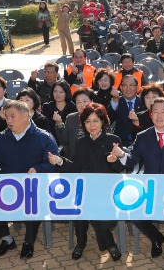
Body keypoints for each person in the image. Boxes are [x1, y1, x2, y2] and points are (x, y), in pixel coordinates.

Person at [113, 97, 164, 258]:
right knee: (133, 211)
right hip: (151, 188)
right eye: (155, 112)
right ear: (150, 115)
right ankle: (156, 237)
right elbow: (132, 161)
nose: (159, 116)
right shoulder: (143, 136)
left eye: (163, 112)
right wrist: (122, 154)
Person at [0, 101, 58, 259]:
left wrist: (38, 169)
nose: (8, 120)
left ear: (25, 115)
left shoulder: (44, 137)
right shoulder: (1, 138)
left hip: (34, 188)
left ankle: (29, 242)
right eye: (6, 117)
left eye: (12, 116)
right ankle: (7, 240)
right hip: (8, 187)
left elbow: (52, 163)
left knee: (33, 200)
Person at [48, 103, 123, 262]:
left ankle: (109, 243)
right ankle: (81, 243)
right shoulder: (81, 142)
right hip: (88, 189)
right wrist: (59, 161)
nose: (92, 125)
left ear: (103, 121)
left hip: (108, 191)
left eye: (96, 121)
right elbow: (75, 167)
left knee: (96, 214)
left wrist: (113, 160)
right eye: (87, 121)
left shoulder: (113, 140)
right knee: (79, 207)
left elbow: (119, 169)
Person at [108, 75, 147, 146]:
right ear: (121, 88)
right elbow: (109, 118)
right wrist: (115, 100)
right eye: (125, 85)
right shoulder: (116, 101)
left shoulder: (143, 102)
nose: (128, 88)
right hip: (120, 143)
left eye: (131, 85)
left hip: (140, 143)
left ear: (137, 87)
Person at [55, 88, 93, 159]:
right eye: (78, 102)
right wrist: (59, 124)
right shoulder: (71, 118)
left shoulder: (99, 117)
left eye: (85, 101)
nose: (82, 105)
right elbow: (64, 141)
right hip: (74, 159)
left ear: (92, 101)